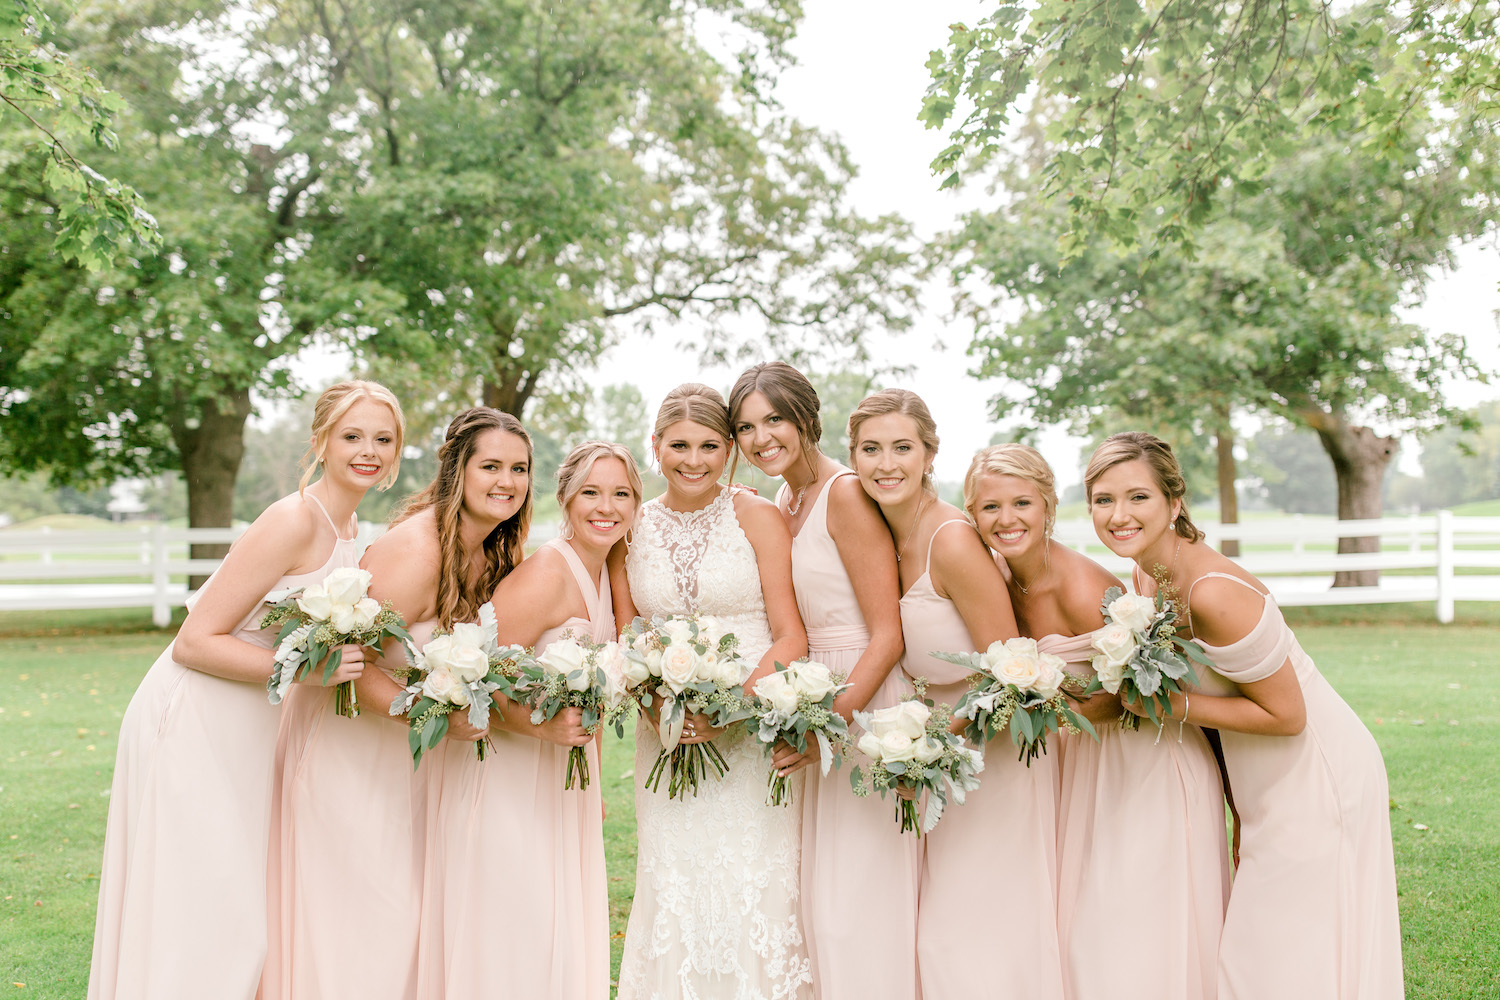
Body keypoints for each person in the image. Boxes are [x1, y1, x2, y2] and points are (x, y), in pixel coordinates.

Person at [88, 380, 404, 1000]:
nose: (368, 450)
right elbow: (194, 641)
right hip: (195, 716)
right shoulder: (293, 519)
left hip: (251, 726)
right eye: (352, 435)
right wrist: (305, 671)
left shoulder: (352, 530)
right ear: (320, 442)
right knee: (199, 907)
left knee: (233, 909)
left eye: (383, 439)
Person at [1086, 431, 1402, 1000]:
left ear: (1174, 502)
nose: (1118, 515)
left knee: (1286, 949)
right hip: (1259, 779)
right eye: (1102, 499)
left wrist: (1162, 705)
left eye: (1138, 497)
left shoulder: (1213, 592)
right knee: (1259, 950)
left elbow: (1287, 716)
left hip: (1316, 774)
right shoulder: (1144, 580)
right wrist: (1234, 803)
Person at [263, 407, 527, 999]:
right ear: (458, 469)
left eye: (518, 468)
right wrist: (435, 716)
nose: (506, 481)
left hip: (403, 763)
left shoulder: (486, 552)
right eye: (490, 466)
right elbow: (353, 669)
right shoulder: (419, 550)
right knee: (365, 926)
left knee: (399, 927)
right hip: (348, 759)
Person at [967, 443, 1228, 1000]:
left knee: (1132, 928)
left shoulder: (1084, 586)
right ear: (971, 514)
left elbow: (1143, 689)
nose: (1007, 520)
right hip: (1084, 762)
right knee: (1086, 927)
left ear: (1048, 508)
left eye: (1022, 504)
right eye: (990, 508)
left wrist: (1056, 697)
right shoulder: (996, 574)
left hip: (1142, 762)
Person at [848, 389, 1063, 999]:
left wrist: (932, 742)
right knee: (944, 928)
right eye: (870, 449)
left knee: (973, 931)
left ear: (929, 455)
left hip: (989, 758)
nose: (886, 463)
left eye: (902, 448)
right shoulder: (888, 535)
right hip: (946, 758)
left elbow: (1010, 674)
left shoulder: (952, 541)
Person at [416, 440, 638, 1000]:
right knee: (514, 930)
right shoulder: (547, 573)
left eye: (621, 494)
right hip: (508, 775)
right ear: (565, 497)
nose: (604, 506)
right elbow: (468, 680)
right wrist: (538, 726)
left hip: (562, 778)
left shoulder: (608, 568)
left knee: (550, 933)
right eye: (590, 492)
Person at [615, 382, 813, 1000]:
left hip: (751, 736)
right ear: (655, 446)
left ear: (729, 449)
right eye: (678, 445)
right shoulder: (632, 523)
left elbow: (789, 635)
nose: (693, 460)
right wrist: (655, 701)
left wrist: (732, 711)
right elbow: (628, 633)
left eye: (708, 445)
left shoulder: (756, 514)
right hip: (667, 735)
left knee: (752, 888)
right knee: (675, 883)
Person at [728, 361, 917, 998]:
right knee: (818, 900)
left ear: (806, 417)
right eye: (746, 426)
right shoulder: (788, 498)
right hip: (814, 698)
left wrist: (830, 726)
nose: (761, 438)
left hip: (861, 701)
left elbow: (888, 634)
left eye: (774, 419)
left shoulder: (844, 493)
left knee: (855, 902)